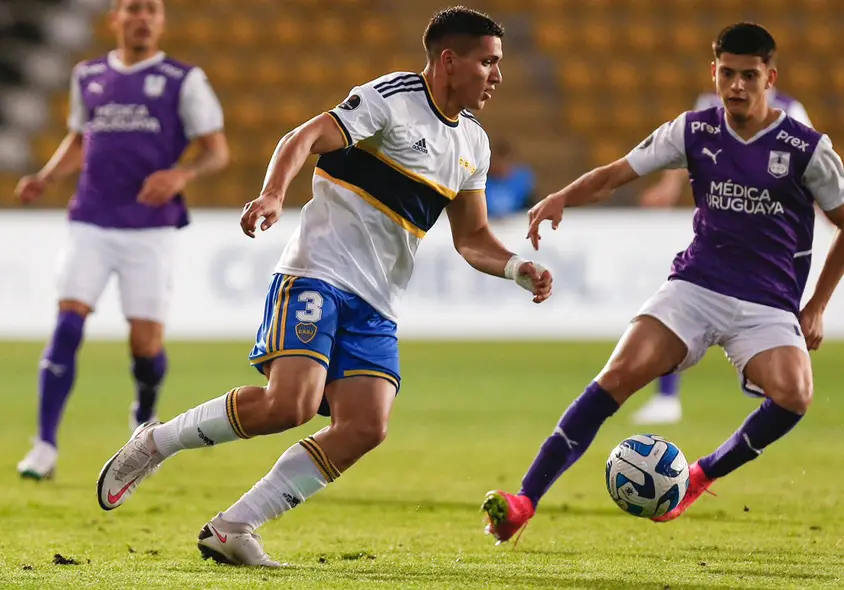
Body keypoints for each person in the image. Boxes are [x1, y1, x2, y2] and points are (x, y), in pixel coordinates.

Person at [96, 6, 552, 567]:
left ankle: (233, 527)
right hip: (317, 273)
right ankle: (156, 443)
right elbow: (305, 136)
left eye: (499, 64)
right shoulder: (391, 99)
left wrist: (515, 267)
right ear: (449, 61)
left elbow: (473, 237)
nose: (497, 76)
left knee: (365, 426)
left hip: (377, 303)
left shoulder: (474, 145)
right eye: (488, 62)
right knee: (289, 405)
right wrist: (272, 194)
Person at [481, 22, 844, 543]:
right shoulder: (693, 131)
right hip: (696, 288)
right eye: (727, 73)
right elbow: (616, 173)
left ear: (770, 78)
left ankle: (701, 475)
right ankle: (524, 501)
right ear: (714, 72)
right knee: (616, 377)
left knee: (795, 395)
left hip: (768, 302)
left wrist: (816, 305)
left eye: (749, 75)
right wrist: (562, 197)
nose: (736, 86)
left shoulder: (805, 147)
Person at [15, 0, 228, 480]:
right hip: (90, 220)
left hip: (151, 229)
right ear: (116, 18)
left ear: (161, 21)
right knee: (68, 323)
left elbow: (217, 150)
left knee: (145, 346)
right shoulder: (88, 75)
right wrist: (46, 178)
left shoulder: (183, 80)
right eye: (134, 8)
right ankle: (44, 446)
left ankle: (143, 417)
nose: (143, 18)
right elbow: (80, 139)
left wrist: (181, 175)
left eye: (152, 10)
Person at [632, 85, 813, 426]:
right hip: (720, 227)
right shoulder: (711, 103)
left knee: (754, 316)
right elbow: (688, 146)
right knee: (680, 308)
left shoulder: (791, 110)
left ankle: (764, 382)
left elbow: (810, 166)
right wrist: (669, 186)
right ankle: (667, 398)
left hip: (767, 239)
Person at [484, 139, 535, 218]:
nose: (500, 166)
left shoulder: (522, 180)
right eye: (496, 162)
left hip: (515, 221)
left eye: (504, 162)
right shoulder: (483, 181)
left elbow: (530, 206)